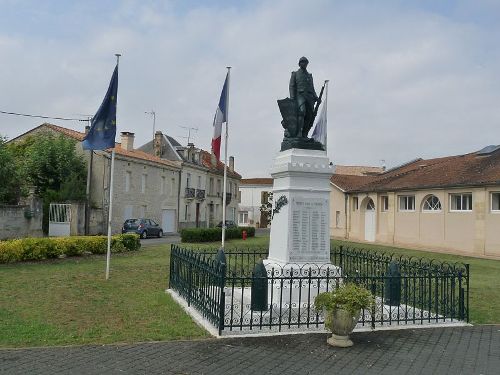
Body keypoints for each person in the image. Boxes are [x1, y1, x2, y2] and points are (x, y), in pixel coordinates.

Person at [289, 56, 321, 138]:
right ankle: (299, 132)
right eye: (302, 62)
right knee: (302, 112)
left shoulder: (309, 76)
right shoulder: (295, 74)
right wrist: (292, 98)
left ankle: (304, 134)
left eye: (305, 62)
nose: (304, 63)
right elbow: (292, 86)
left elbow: (312, 88)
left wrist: (316, 97)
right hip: (300, 95)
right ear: (299, 64)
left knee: (309, 115)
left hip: (310, 97)